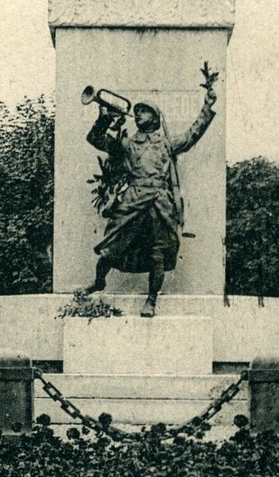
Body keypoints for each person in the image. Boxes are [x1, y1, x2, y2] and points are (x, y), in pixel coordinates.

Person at [84, 70, 217, 317]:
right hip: (133, 199)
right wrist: (104, 119)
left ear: (155, 118)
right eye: (137, 111)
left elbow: (192, 134)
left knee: (157, 253)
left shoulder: (166, 144)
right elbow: (94, 139)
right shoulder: (127, 144)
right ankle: (99, 281)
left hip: (159, 202)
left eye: (144, 111)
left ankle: (151, 301)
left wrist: (207, 107)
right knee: (109, 248)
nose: (138, 114)